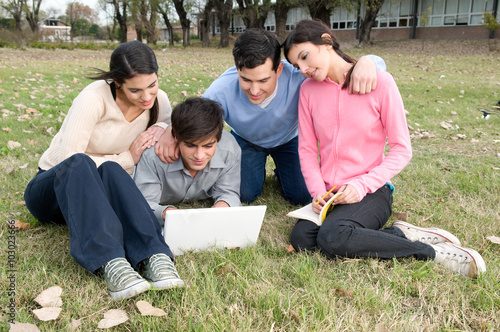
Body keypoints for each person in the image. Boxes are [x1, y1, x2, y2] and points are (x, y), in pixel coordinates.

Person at [283, 19, 486, 279]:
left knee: (332, 237)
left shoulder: (381, 83)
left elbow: (402, 149)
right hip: (331, 195)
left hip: (372, 191)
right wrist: (318, 192)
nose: (303, 69)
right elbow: (308, 150)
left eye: (304, 56)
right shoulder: (308, 91)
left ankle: (431, 252)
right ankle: (400, 233)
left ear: (326, 42)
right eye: (296, 65)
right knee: (302, 240)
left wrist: (361, 186)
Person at [24, 40, 184, 301]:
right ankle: (111, 262)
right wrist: (126, 158)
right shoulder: (93, 98)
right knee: (86, 163)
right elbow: (69, 160)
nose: (146, 97)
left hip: (97, 197)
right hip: (54, 189)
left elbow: (165, 120)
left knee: (111, 169)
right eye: (135, 90)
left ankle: (154, 254)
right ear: (116, 82)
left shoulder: (158, 100)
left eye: (152, 85)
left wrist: (162, 129)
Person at [155, 29, 386, 206]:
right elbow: (196, 115)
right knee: (245, 194)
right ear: (237, 70)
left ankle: (282, 171)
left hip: (290, 139)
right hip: (246, 140)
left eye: (263, 80)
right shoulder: (222, 88)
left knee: (301, 195)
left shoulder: (299, 74)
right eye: (246, 80)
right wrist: (170, 130)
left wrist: (369, 61)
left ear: (278, 69)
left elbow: (344, 67)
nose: (254, 90)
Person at [134, 97, 241, 225]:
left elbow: (229, 192)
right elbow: (143, 204)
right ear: (175, 138)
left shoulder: (229, 149)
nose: (199, 156)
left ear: (218, 140)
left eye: (208, 146)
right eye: (190, 146)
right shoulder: (152, 157)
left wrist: (222, 206)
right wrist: (167, 213)